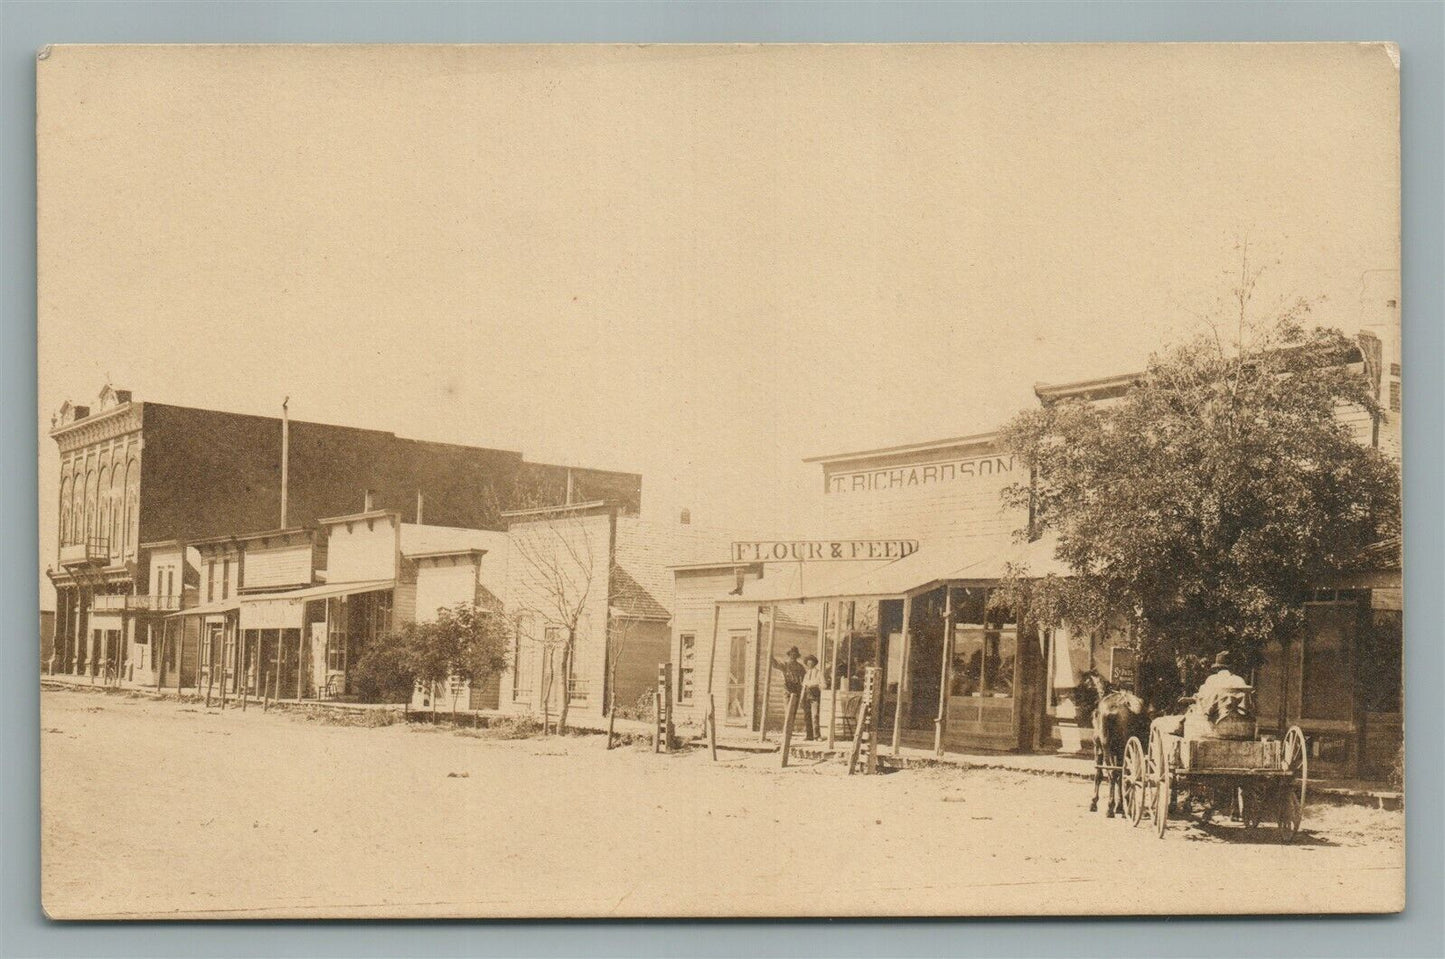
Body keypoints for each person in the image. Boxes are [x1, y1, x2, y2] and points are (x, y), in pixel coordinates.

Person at [771, 646, 807, 737]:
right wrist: (770, 657)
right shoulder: (785, 665)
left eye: (795, 655)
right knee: (787, 710)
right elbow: (775, 665)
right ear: (789, 655)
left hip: (796, 690)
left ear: (797, 656)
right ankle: (786, 730)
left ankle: (789, 730)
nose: (793, 656)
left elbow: (804, 679)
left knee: (793, 711)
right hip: (787, 690)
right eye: (791, 654)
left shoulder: (800, 667)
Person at [801, 654, 823, 741]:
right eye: (808, 662)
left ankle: (817, 736)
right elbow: (803, 687)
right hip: (806, 697)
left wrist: (815, 684)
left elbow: (824, 684)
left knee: (815, 716)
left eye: (811, 661)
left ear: (814, 663)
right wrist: (801, 699)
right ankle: (809, 736)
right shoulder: (806, 674)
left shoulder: (819, 673)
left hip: (815, 697)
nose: (809, 663)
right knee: (807, 717)